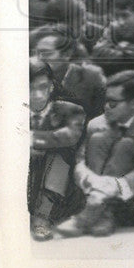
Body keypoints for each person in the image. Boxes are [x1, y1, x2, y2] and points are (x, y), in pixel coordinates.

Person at [56, 71, 134, 238]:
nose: (106, 107)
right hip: (94, 189)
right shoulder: (96, 124)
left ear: (133, 103)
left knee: (126, 145)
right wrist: (91, 179)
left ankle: (85, 219)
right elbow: (79, 161)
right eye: (106, 101)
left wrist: (113, 186)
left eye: (113, 103)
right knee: (98, 139)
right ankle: (103, 214)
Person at [28, 58, 87, 240]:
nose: (37, 94)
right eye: (29, 88)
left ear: (52, 86)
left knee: (61, 154)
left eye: (42, 87)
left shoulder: (70, 110)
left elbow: (69, 136)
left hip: (59, 186)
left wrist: (28, 140)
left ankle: (43, 216)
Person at [32, 24, 108, 118]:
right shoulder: (30, 76)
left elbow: (101, 115)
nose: (39, 59)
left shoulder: (90, 77)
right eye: (36, 53)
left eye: (47, 53)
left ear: (66, 55)